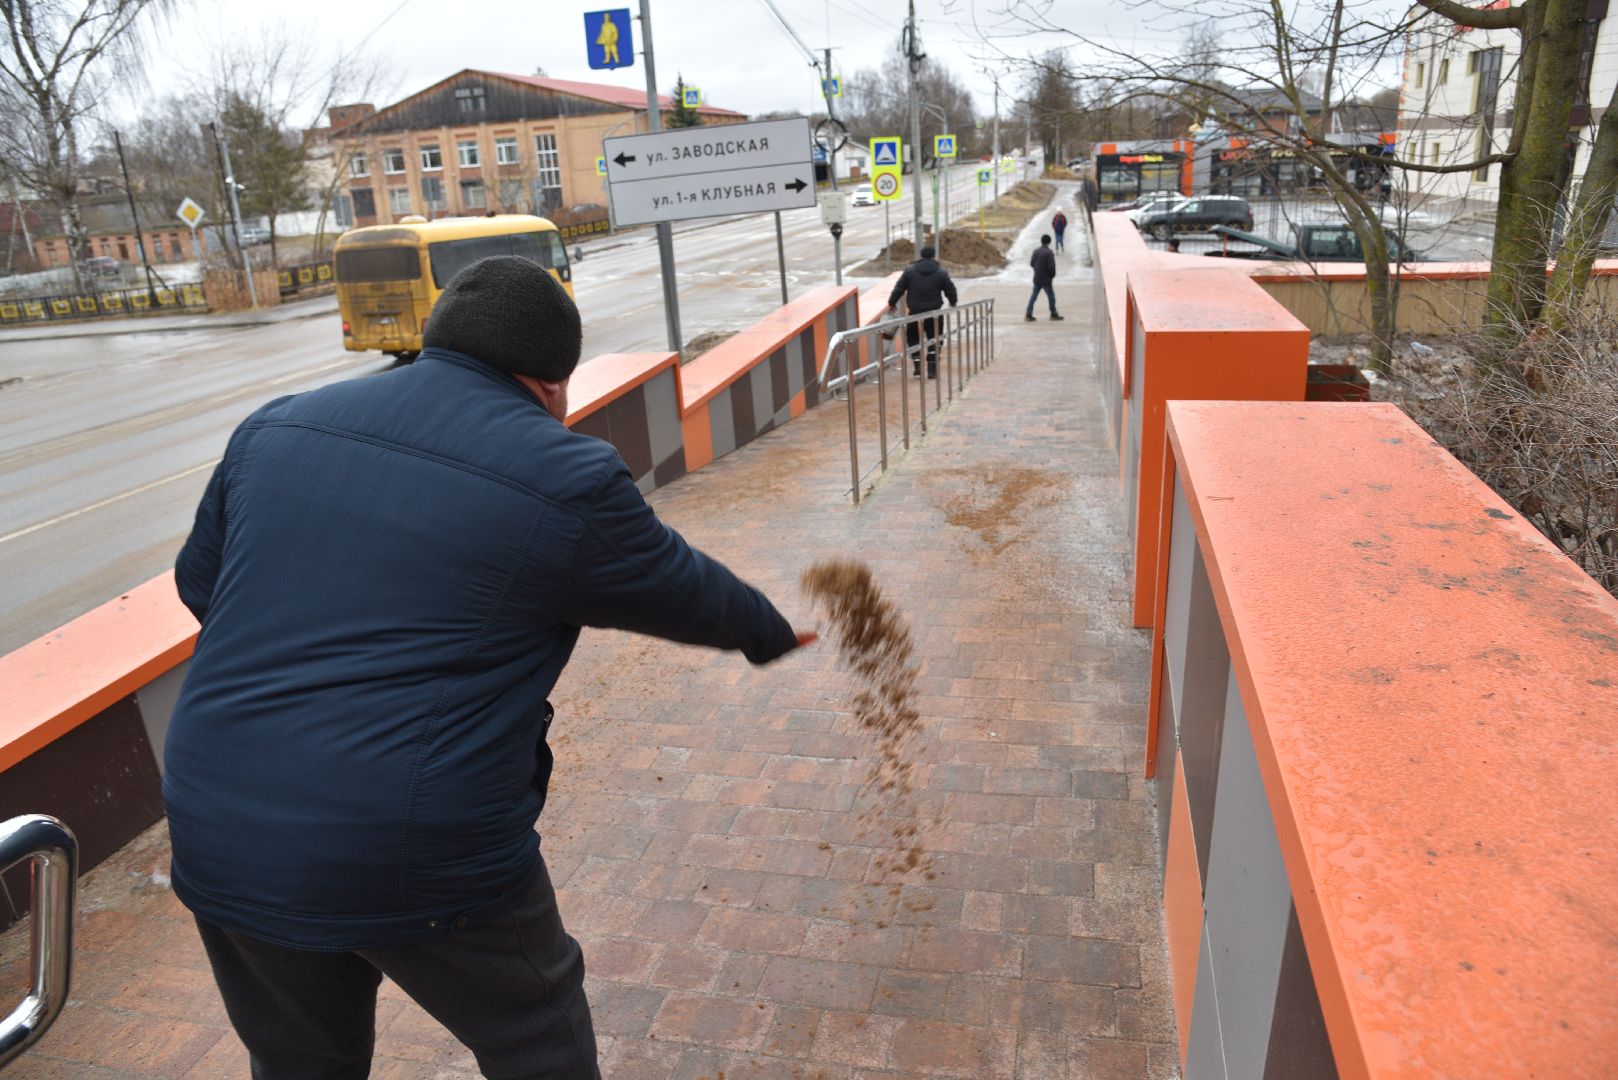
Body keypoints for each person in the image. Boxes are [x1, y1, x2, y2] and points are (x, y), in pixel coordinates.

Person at [165, 256, 814, 1080]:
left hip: (218, 819)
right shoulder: (562, 472)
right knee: (535, 1032)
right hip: (411, 837)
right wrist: (769, 631)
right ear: (551, 381)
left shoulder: (276, 427)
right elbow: (681, 589)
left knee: (300, 1063)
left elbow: (202, 588)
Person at [886, 244, 958, 379]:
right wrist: (953, 302)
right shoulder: (941, 272)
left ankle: (917, 363)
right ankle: (932, 368)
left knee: (912, 336)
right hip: (934, 312)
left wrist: (892, 303)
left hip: (915, 311)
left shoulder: (910, 271)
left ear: (921, 256)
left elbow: (899, 288)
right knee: (935, 337)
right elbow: (950, 289)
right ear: (933, 256)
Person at [1026, 234, 1062, 322]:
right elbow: (1051, 267)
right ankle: (1053, 314)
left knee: (1033, 296)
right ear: (1049, 242)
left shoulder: (1036, 251)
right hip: (1046, 279)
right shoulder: (1049, 252)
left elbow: (1032, 264)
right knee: (1051, 297)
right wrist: (1052, 275)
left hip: (1037, 278)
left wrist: (1037, 269)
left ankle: (1028, 314)